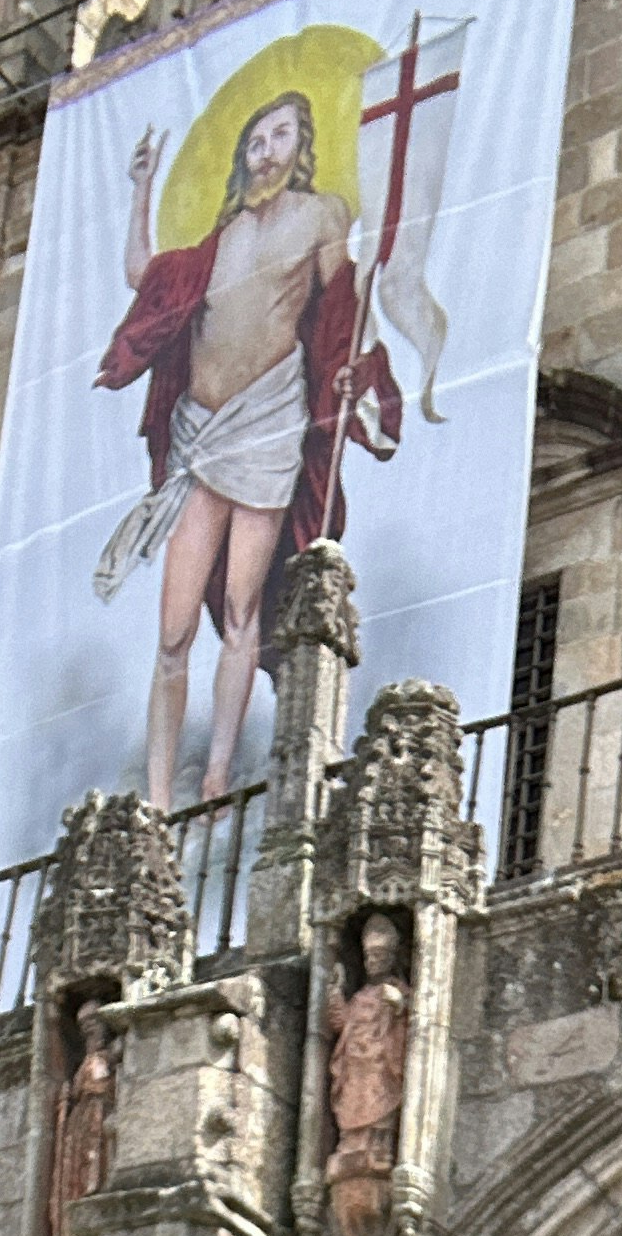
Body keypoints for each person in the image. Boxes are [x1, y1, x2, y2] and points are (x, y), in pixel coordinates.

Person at [96, 91, 397, 809]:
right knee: (173, 629)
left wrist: (354, 366)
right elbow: (145, 277)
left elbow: (342, 301)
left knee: (240, 610)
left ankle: (218, 775)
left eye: (281, 135)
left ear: (303, 146)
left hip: (268, 422)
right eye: (256, 139)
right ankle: (161, 798)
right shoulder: (220, 239)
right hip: (202, 432)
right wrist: (141, 187)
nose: (266, 149)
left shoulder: (321, 214)